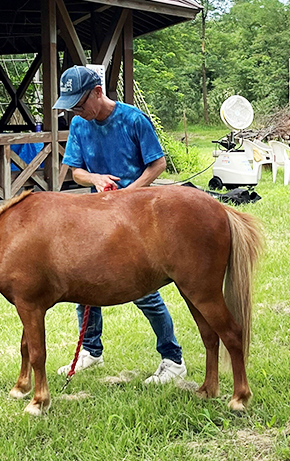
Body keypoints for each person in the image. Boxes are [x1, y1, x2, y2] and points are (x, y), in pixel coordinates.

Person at [52, 65, 188, 385]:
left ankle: (172, 359)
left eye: (80, 103)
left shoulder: (133, 120)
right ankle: (91, 350)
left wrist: (128, 194)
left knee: (143, 290)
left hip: (136, 216)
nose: (77, 111)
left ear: (98, 93)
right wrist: (96, 178)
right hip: (96, 214)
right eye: (72, 106)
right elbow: (75, 171)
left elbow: (158, 164)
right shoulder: (79, 125)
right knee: (83, 283)